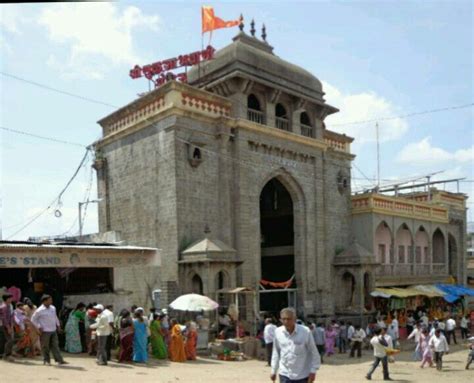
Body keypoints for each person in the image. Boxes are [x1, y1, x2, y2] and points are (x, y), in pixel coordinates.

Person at [270, 307, 320, 383]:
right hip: (285, 374)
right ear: (280, 320)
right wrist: (273, 370)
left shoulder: (305, 332)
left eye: (289, 319)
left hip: (302, 375)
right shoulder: (278, 332)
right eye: (284, 319)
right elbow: (276, 352)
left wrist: (313, 371)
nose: (286, 321)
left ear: (295, 319)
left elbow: (314, 352)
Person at [31, 294, 68, 365]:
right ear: (44, 301)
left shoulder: (53, 308)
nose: (51, 301)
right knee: (45, 346)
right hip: (45, 331)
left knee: (55, 345)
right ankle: (47, 360)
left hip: (53, 329)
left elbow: (55, 317)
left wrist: (58, 325)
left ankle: (59, 360)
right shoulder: (39, 310)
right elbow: (33, 319)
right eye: (49, 300)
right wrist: (39, 326)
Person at [0, 293, 14, 361]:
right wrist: (8, 327)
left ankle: (3, 354)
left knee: (4, 340)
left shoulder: (9, 306)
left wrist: (11, 326)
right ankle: (7, 355)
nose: (11, 299)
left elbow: (11, 317)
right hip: (4, 325)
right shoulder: (4, 307)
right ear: (7, 299)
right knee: (10, 340)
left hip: (7, 325)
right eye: (10, 298)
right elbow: (4, 318)